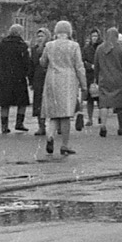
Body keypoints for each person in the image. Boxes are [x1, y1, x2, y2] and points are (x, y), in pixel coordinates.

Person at [41, 20, 88, 158]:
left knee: (54, 113)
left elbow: (43, 62)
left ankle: (50, 136)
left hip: (52, 80)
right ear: (69, 31)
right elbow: (79, 66)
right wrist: (83, 84)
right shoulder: (74, 46)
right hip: (68, 80)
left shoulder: (49, 45)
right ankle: (64, 145)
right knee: (66, 114)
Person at [0, 24, 33, 133]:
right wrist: (29, 77)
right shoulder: (22, 46)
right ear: (20, 33)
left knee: (5, 103)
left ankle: (4, 126)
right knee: (22, 102)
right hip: (19, 78)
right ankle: (19, 123)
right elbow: (27, 63)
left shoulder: (1, 45)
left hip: (3, 78)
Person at [94, 26, 122, 137]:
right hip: (119, 80)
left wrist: (96, 79)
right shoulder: (121, 48)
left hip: (104, 80)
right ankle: (121, 127)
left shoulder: (100, 48)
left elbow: (96, 65)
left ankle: (103, 126)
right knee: (120, 105)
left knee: (104, 104)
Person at [29, 27, 50, 136]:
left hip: (49, 76)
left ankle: (57, 125)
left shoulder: (51, 47)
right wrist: (31, 81)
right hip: (37, 77)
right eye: (38, 36)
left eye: (42, 36)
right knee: (38, 102)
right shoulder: (34, 49)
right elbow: (31, 65)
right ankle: (41, 125)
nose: (40, 38)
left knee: (51, 101)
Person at [81, 28, 102, 131]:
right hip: (89, 75)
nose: (94, 38)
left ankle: (101, 116)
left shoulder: (101, 47)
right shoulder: (86, 48)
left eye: (96, 36)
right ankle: (90, 118)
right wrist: (89, 66)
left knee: (100, 98)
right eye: (93, 36)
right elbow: (82, 61)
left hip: (100, 75)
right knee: (90, 99)